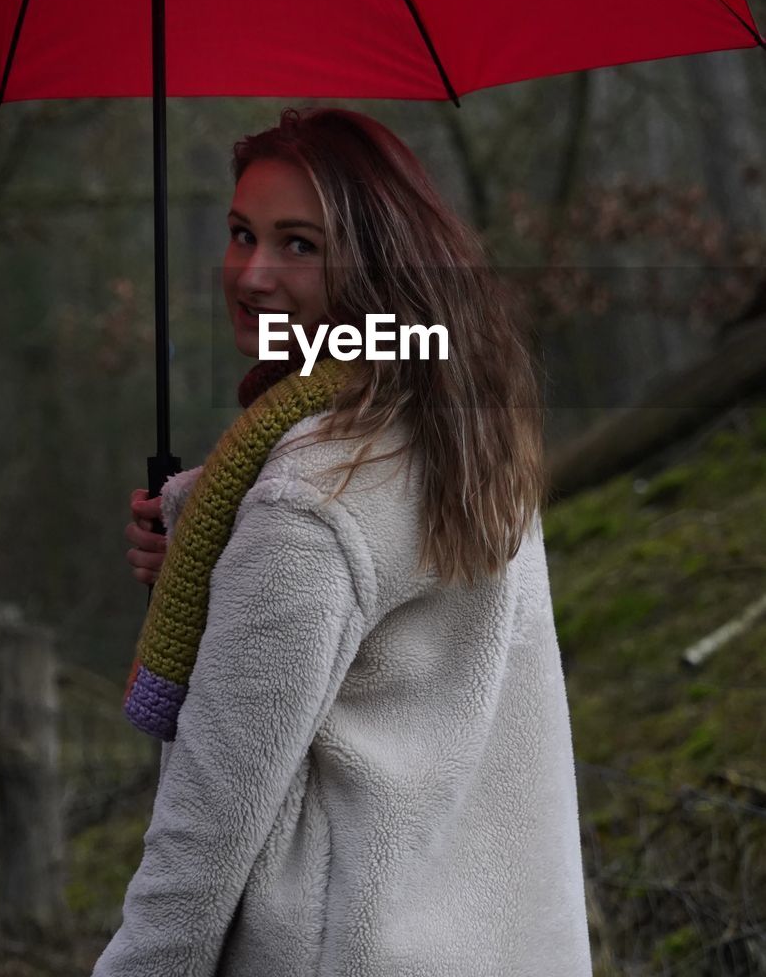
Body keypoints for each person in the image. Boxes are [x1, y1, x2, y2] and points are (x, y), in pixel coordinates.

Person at [95, 106, 593, 976]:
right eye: (241, 233)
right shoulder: (463, 426)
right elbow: (396, 664)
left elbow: (207, 825)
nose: (251, 273)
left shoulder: (306, 503)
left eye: (298, 244)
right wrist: (221, 575)